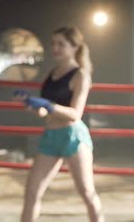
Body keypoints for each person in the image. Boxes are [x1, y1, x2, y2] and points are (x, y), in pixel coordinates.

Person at [14, 27, 103, 222]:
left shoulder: (80, 75)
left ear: (74, 47)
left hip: (73, 137)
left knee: (87, 192)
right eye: (53, 43)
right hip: (51, 136)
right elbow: (46, 111)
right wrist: (33, 105)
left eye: (61, 44)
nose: (55, 47)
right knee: (31, 192)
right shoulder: (51, 74)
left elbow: (75, 114)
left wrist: (49, 105)